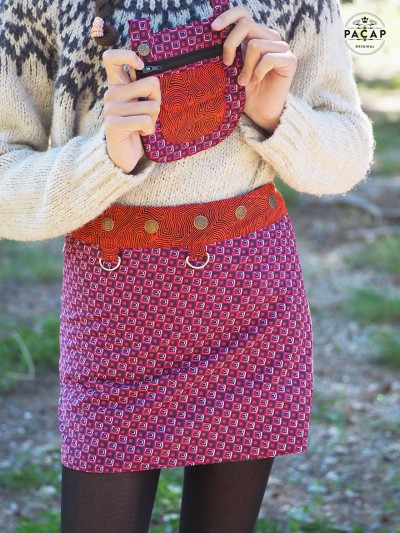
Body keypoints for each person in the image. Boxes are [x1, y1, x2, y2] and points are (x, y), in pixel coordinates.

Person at [0, 0, 374, 532]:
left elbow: (350, 151)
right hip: (114, 311)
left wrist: (277, 116)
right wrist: (104, 158)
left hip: (249, 303)